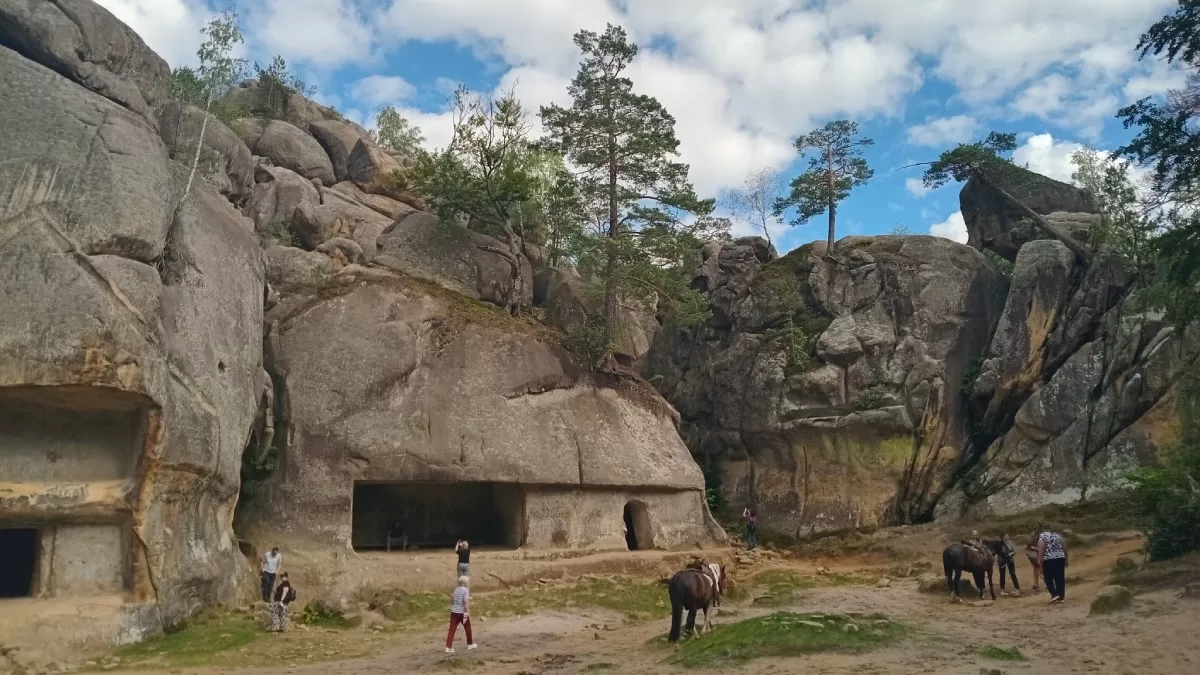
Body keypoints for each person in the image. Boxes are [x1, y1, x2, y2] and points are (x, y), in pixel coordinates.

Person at [445, 575, 478, 654]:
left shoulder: (456, 589)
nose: (469, 583)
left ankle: (448, 647)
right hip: (462, 613)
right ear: (465, 583)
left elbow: (452, 600)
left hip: (454, 612)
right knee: (468, 628)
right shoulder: (465, 590)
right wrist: (467, 611)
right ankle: (470, 644)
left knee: (452, 630)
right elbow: (465, 601)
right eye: (468, 582)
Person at [1036, 528, 1068, 603]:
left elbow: (1041, 547)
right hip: (1060, 557)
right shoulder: (1058, 536)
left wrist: (1039, 558)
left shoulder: (1043, 536)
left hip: (1049, 558)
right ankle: (1061, 597)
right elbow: (1064, 547)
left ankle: (1054, 594)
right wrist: (1066, 558)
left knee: (1048, 577)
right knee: (1060, 577)